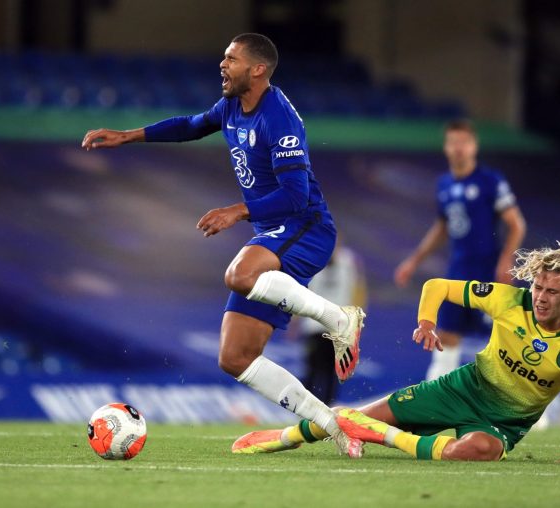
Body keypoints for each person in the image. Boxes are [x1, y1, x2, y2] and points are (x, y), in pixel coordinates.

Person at [81, 33, 365, 456]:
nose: (222, 64)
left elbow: (296, 195)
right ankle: (334, 424)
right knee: (235, 357)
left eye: (231, 58)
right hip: (273, 232)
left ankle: (340, 319)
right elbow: (192, 126)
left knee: (241, 274)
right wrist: (128, 136)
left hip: (306, 227)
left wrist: (237, 210)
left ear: (258, 69)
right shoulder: (231, 106)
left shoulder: (278, 118)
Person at [233, 242, 560, 464]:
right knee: (360, 416)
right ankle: (285, 436)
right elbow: (436, 286)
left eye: (551, 292)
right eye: (538, 287)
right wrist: (427, 322)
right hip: (460, 389)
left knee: (480, 450)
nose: (540, 297)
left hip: (503, 423)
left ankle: (384, 436)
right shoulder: (511, 300)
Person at [393, 120, 526, 381]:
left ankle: (524, 406)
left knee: (503, 338)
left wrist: (506, 260)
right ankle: (435, 398)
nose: (458, 148)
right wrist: (413, 261)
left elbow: (516, 224)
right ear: (446, 147)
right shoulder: (444, 184)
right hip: (458, 271)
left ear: (474, 146)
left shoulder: (490, 181)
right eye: (453, 142)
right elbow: (442, 227)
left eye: (464, 142)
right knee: (447, 334)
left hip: (488, 271)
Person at [297, 238, 367, 404]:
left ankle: (321, 410)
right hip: (321, 326)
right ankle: (312, 410)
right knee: (318, 371)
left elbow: (359, 288)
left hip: (332, 325)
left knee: (327, 371)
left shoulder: (346, 260)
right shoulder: (346, 260)